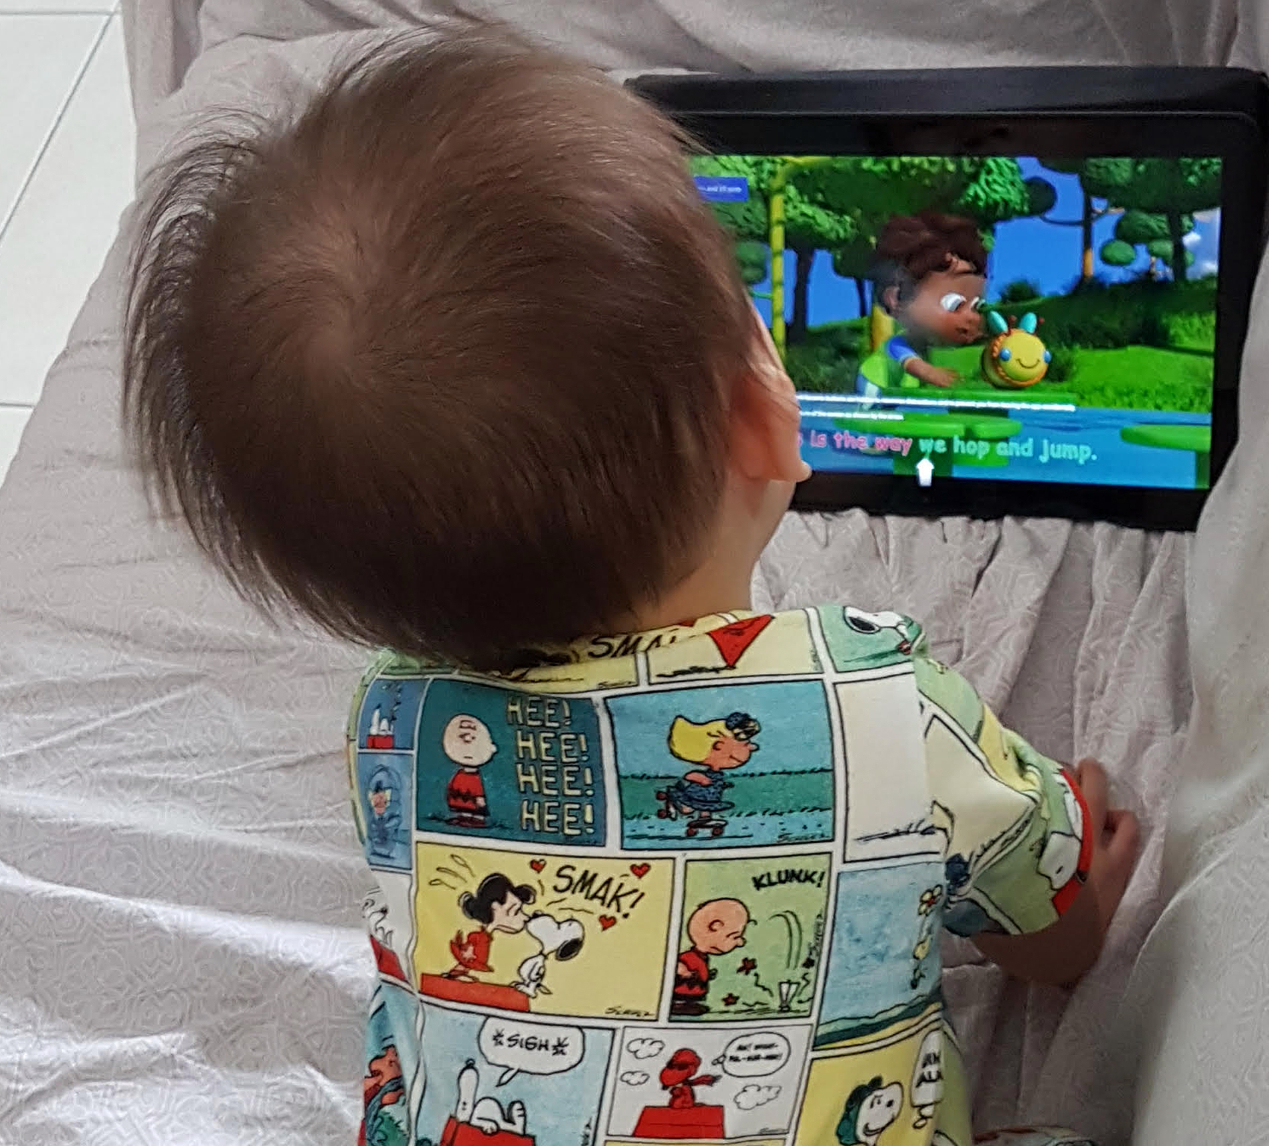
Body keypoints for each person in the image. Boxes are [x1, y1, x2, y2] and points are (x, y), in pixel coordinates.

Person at [122, 24, 1138, 1146]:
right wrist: (1072, 877)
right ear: (763, 419)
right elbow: (1055, 947)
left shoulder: (394, 732)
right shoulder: (884, 702)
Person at [856, 212, 990, 394]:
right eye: (954, 305)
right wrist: (930, 373)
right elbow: (913, 365)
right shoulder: (900, 343)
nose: (972, 317)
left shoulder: (935, 347)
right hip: (876, 386)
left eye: (976, 307)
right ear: (895, 299)